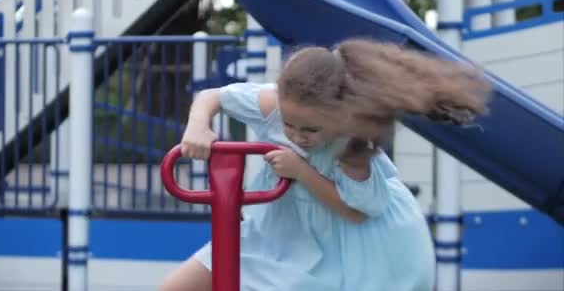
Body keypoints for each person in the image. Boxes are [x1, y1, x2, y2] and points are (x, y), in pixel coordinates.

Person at [160, 38, 491, 291]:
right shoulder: (273, 103)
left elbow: (357, 211)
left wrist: (300, 170)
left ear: (341, 113)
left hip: (357, 244)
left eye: (311, 129)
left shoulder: (354, 143)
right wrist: (197, 126)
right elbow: (211, 97)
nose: (298, 136)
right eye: (290, 125)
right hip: (277, 229)